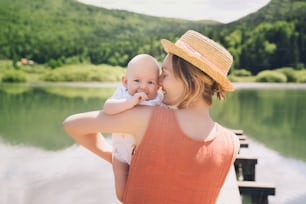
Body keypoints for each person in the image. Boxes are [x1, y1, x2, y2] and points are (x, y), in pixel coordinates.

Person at [62, 30, 240, 204]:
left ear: (192, 82)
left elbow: (72, 125)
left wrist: (117, 159)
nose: (159, 82)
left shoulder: (148, 118)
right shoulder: (232, 143)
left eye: (165, 74)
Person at [103, 53, 165, 200]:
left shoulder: (158, 99)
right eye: (137, 80)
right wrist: (129, 103)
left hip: (145, 154)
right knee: (121, 194)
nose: (143, 86)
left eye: (150, 82)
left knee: (145, 191)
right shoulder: (123, 94)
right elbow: (108, 108)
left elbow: (166, 119)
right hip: (120, 154)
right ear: (125, 81)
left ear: (158, 86)